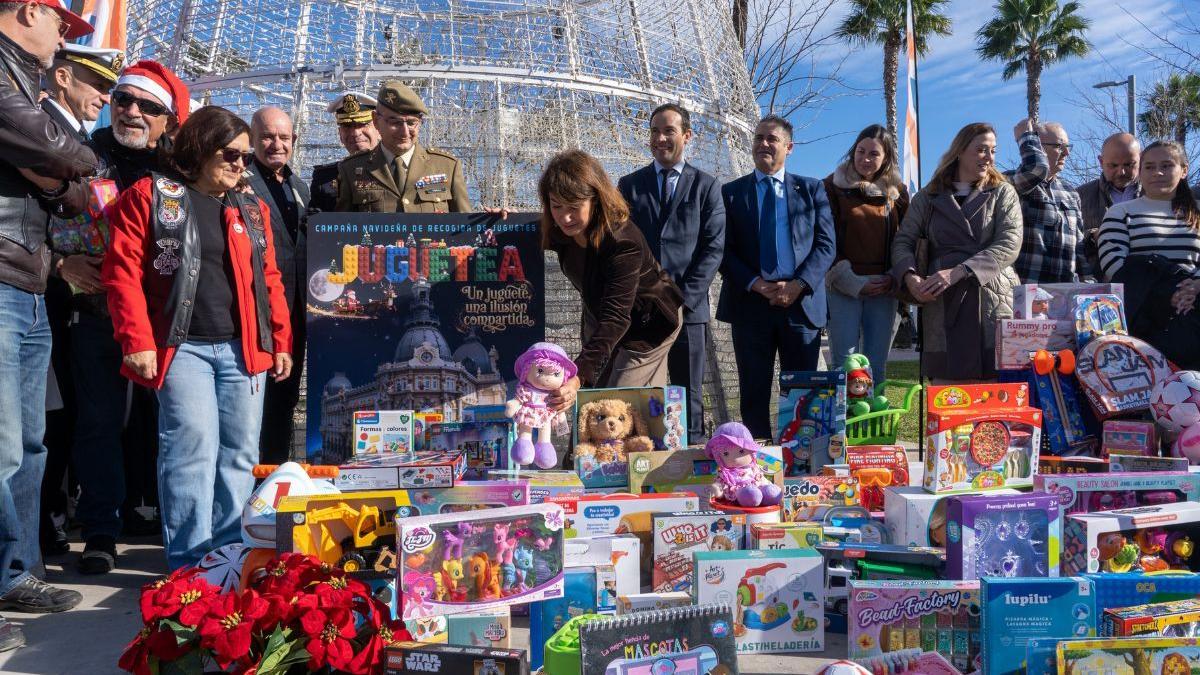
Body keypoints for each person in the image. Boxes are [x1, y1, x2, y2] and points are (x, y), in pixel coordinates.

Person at [102, 106, 292, 571]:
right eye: (231, 154)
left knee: (240, 454)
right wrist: (136, 340)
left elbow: (268, 279)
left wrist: (280, 340)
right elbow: (123, 273)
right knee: (191, 449)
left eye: (246, 156)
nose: (241, 164)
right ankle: (188, 563)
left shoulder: (251, 208)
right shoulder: (150, 196)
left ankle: (228, 556)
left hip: (243, 350)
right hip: (182, 347)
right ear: (202, 147)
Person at [0, 0, 97, 652]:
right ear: (30, 8)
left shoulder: (23, 79)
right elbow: (56, 148)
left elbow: (71, 185)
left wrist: (59, 174)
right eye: (62, 23)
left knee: (30, 445)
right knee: (4, 447)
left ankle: (17, 571)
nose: (64, 38)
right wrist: (65, 160)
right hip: (4, 276)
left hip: (29, 279)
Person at [72, 59, 190, 574]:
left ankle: (169, 524)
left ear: (169, 120)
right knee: (99, 421)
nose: (132, 111)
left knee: (169, 423)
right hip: (97, 312)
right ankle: (100, 528)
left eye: (148, 106)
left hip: (164, 320)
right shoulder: (82, 155)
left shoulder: (180, 171)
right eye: (123, 99)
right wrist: (60, 264)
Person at [38, 43, 119, 558]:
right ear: (64, 78)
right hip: (45, 298)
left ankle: (73, 525)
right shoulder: (38, 130)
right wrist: (60, 265)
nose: (106, 99)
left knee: (83, 416)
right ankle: (43, 525)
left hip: (86, 305)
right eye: (100, 86)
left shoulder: (87, 142)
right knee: (44, 422)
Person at [717, 115, 835, 440]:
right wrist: (756, 284)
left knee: (801, 393)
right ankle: (753, 458)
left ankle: (800, 456)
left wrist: (797, 285)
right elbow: (722, 249)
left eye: (772, 139)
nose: (763, 144)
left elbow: (826, 245)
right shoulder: (731, 193)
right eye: (759, 138)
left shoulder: (811, 190)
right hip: (750, 304)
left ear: (789, 147)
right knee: (753, 390)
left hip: (800, 304)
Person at [538, 149, 683, 412]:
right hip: (602, 314)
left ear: (595, 199)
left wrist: (577, 377)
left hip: (649, 323)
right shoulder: (558, 230)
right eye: (556, 206)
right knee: (599, 398)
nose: (565, 217)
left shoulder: (623, 241)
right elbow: (521, 231)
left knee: (612, 406)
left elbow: (616, 318)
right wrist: (500, 219)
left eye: (574, 207)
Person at [617, 103, 724, 440]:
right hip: (641, 311)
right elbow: (619, 242)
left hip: (688, 312)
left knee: (688, 392)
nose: (660, 138)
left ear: (686, 136)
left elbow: (713, 249)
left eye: (668, 131)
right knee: (639, 393)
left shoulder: (706, 186)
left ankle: (692, 453)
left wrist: (681, 300)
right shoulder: (629, 186)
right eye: (654, 131)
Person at [891, 122, 1023, 382]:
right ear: (960, 151)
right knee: (947, 389)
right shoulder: (928, 197)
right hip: (941, 300)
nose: (989, 157)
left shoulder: (1003, 192)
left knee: (995, 387)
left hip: (991, 296)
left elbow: (1010, 242)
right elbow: (903, 241)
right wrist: (910, 277)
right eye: (981, 149)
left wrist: (960, 271)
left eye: (993, 150)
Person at [246, 106, 309, 465]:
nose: (276, 144)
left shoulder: (299, 187)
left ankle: (275, 472)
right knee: (256, 400)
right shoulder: (239, 182)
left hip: (294, 311)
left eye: (284, 137)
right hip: (256, 309)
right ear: (252, 138)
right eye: (267, 136)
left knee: (284, 400)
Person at [823, 124, 908, 382]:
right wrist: (851, 281)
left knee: (876, 365)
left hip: (884, 288)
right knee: (845, 364)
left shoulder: (898, 193)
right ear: (853, 151)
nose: (866, 159)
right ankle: (844, 411)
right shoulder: (831, 186)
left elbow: (907, 239)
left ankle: (874, 410)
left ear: (886, 158)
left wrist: (894, 276)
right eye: (861, 151)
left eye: (874, 154)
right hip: (843, 287)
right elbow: (824, 239)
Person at [335, 81, 470, 213]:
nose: (405, 132)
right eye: (395, 122)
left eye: (411, 123)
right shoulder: (351, 170)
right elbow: (343, 225)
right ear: (376, 120)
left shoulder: (447, 167)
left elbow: (465, 224)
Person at [1098, 140, 1200, 282]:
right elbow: (1114, 266)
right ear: (1140, 172)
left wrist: (1195, 286)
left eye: (1166, 166)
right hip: (1141, 294)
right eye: (1149, 167)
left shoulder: (1196, 211)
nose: (1157, 172)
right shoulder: (1120, 212)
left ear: (1184, 170)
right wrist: (1166, 290)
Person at [1006, 119, 1088, 283]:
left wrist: (1087, 278)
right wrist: (1027, 137)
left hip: (1064, 290)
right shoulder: (1011, 182)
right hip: (1026, 288)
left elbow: (1079, 245)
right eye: (1059, 146)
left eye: (1068, 146)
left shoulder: (1070, 192)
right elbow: (1036, 170)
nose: (1066, 153)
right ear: (1037, 147)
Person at [1077, 132, 1142, 271]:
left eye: (1129, 165)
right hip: (1097, 277)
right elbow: (1067, 239)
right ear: (1101, 162)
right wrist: (1092, 236)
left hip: (1148, 276)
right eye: (1113, 165)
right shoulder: (1080, 196)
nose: (1121, 172)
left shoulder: (1155, 193)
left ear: (1140, 159)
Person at [309, 91, 379, 212]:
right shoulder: (325, 178)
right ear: (340, 135)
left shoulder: (395, 171)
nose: (355, 133)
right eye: (347, 126)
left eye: (363, 124)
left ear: (379, 129)